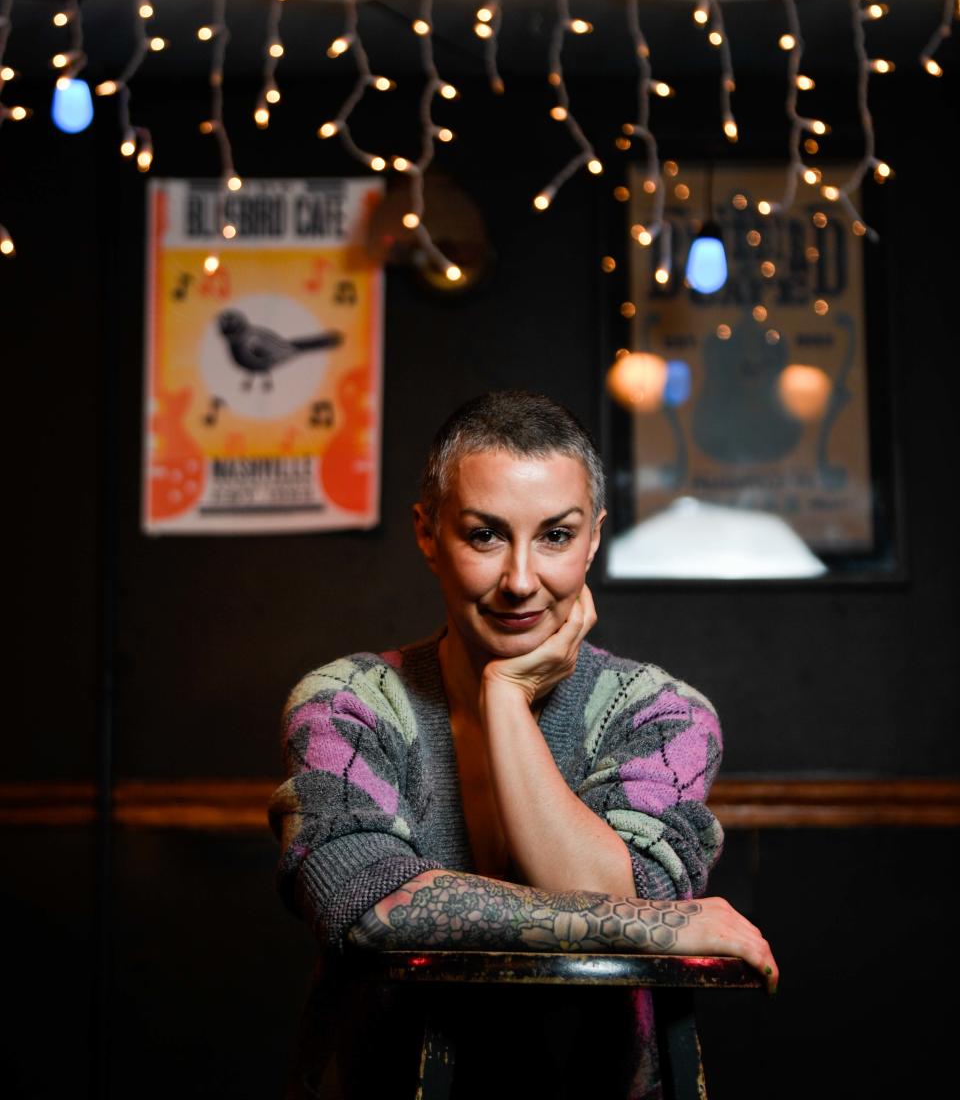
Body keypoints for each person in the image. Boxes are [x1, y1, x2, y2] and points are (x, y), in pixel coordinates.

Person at [270, 391, 777, 1099]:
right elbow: (362, 908)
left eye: (556, 536)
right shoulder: (348, 703)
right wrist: (656, 926)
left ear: (594, 538)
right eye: (484, 536)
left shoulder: (665, 715)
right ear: (427, 534)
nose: (519, 580)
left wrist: (503, 699)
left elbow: (608, 895)